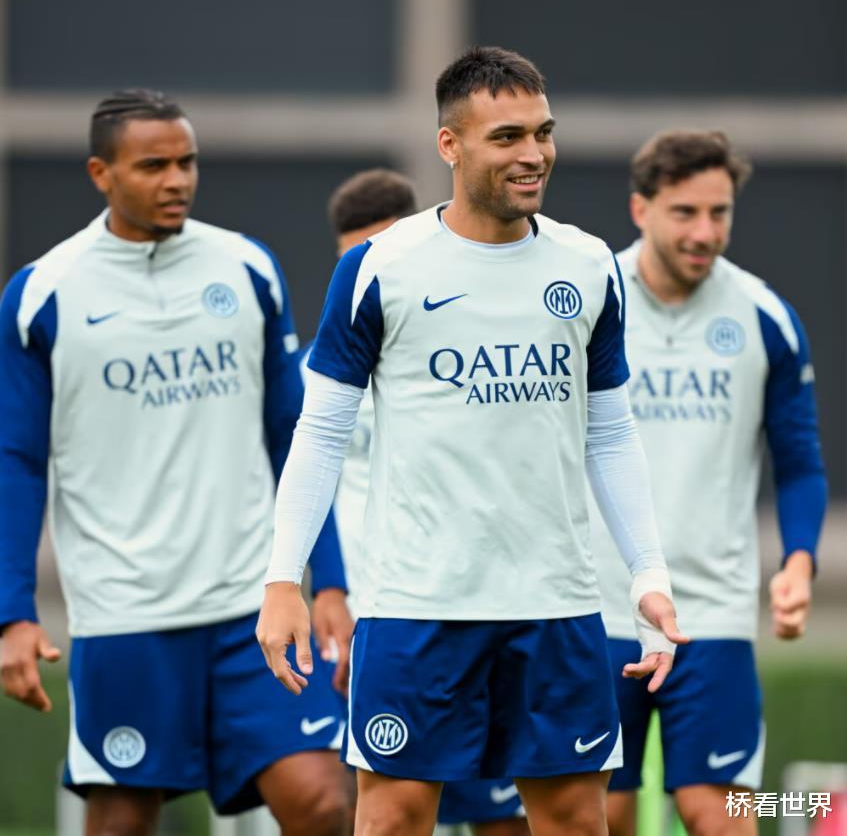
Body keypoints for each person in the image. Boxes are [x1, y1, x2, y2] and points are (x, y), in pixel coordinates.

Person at [258, 46, 687, 836]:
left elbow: (609, 431)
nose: (533, 154)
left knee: (575, 821)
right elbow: (318, 432)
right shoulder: (378, 267)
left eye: (542, 133)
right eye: (506, 137)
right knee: (390, 819)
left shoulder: (587, 264)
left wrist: (646, 572)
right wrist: (285, 578)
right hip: (414, 606)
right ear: (449, 145)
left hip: (556, 604)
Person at [0, 89, 354, 836]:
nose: (177, 180)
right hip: (126, 612)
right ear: (101, 173)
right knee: (122, 822)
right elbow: (17, 459)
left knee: (323, 800)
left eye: (187, 162)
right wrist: (14, 613)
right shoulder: (42, 295)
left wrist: (328, 581)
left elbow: (293, 435)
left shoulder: (247, 267)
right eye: (153, 165)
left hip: (251, 605)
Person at [590, 130, 828, 836]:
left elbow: (799, 460)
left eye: (718, 212)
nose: (704, 232)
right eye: (684, 212)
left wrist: (798, 563)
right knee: (600, 815)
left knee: (717, 812)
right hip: (595, 607)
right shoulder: (585, 302)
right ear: (641, 209)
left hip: (712, 614)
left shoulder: (764, 317)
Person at [312, 166, 530, 836]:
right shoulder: (317, 374)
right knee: (361, 804)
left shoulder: (482, 350)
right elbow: (305, 488)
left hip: (472, 606)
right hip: (370, 615)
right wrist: (331, 591)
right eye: (357, 257)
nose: (375, 268)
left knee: (500, 815)